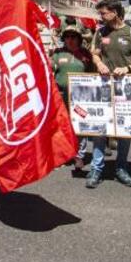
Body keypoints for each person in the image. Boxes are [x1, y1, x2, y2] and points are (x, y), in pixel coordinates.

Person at [86, 0, 131, 188]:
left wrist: (128, 68)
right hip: (104, 87)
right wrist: (99, 63)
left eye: (104, 13)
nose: (101, 16)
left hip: (125, 90)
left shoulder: (130, 33)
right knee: (100, 130)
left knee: (125, 130)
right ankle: (96, 168)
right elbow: (94, 53)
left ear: (114, 12)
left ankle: (121, 168)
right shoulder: (100, 32)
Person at [51, 26, 94, 171]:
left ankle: (79, 156)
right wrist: (48, 59)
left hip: (81, 96)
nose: (70, 39)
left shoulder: (86, 54)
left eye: (73, 36)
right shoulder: (57, 53)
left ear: (79, 39)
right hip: (60, 95)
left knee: (79, 126)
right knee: (60, 126)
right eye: (67, 36)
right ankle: (61, 155)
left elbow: (92, 73)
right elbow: (49, 69)